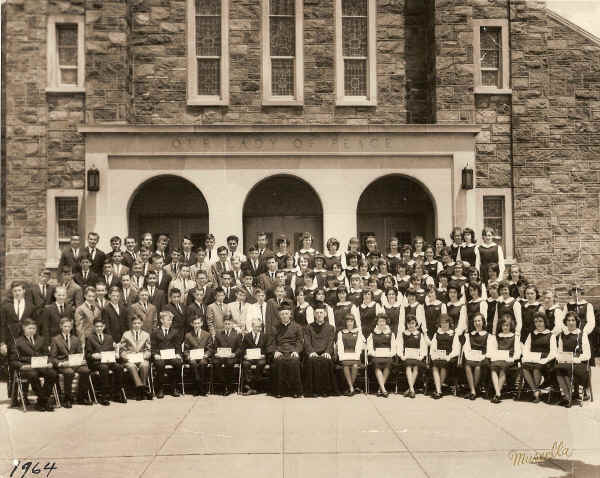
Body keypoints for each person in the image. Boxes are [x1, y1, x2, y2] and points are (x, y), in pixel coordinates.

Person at [10, 319, 58, 411]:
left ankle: (41, 401)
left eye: (34, 328)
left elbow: (48, 355)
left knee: (53, 374)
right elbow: (13, 360)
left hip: (41, 365)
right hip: (27, 367)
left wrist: (50, 363)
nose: (32, 330)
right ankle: (45, 401)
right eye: (29, 328)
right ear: (24, 328)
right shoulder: (17, 342)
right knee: (33, 374)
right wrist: (21, 366)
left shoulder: (41, 339)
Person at [50, 317, 92, 407]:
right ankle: (67, 398)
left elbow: (80, 354)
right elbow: (52, 358)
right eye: (65, 326)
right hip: (63, 364)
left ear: (71, 327)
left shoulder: (75, 339)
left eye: (69, 326)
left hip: (75, 363)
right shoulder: (55, 339)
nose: (67, 328)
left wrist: (81, 360)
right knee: (69, 372)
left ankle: (81, 397)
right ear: (61, 326)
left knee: (86, 371)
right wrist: (60, 363)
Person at [85, 317, 125, 405]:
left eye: (101, 326)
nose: (99, 328)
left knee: (119, 367)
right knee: (104, 368)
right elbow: (87, 355)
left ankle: (117, 393)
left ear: (104, 327)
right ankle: (104, 395)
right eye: (97, 326)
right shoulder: (90, 338)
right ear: (94, 327)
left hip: (109, 361)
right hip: (96, 363)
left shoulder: (109, 337)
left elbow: (112, 351)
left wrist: (116, 353)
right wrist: (93, 355)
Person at [555, 311, 591, 407]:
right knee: (558, 368)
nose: (571, 322)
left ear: (576, 321)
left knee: (566, 369)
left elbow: (588, 354)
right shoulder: (562, 335)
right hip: (566, 361)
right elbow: (559, 351)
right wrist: (560, 358)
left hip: (579, 362)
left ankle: (569, 397)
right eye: (568, 320)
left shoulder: (582, 334)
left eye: (573, 320)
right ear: (565, 322)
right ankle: (568, 396)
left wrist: (576, 359)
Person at [303, 302, 339, 398]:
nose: (319, 315)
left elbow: (331, 342)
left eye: (321, 313)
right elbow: (307, 342)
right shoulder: (308, 327)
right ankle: (313, 391)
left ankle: (325, 391)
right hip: (313, 353)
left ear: (325, 314)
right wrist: (311, 352)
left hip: (325, 353)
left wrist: (327, 352)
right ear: (314, 314)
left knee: (326, 361)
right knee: (312, 361)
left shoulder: (331, 328)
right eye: (317, 313)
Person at [268, 303, 304, 398]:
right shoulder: (275, 327)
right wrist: (275, 351)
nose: (284, 316)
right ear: (279, 315)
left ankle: (295, 391)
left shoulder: (297, 327)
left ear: (290, 314)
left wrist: (296, 351)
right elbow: (271, 342)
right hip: (280, 351)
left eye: (286, 313)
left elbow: (300, 342)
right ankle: (279, 391)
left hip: (292, 351)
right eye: (282, 314)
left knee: (294, 361)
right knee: (279, 361)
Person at [521, 312, 557, 403]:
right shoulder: (531, 334)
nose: (538, 323)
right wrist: (526, 357)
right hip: (532, 358)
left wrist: (545, 360)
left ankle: (535, 392)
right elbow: (526, 348)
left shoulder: (550, 335)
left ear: (545, 322)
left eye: (540, 321)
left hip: (545, 361)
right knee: (524, 367)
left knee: (536, 368)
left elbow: (553, 352)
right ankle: (536, 391)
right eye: (536, 321)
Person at [487, 314, 521, 404]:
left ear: (511, 326)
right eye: (503, 325)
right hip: (498, 359)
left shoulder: (515, 337)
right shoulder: (497, 336)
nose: (505, 327)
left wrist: (512, 358)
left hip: (509, 360)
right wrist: (494, 356)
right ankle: (498, 393)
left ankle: (497, 394)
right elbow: (492, 350)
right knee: (493, 369)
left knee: (503, 368)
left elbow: (518, 353)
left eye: (507, 325)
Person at [151, 311, 183, 398]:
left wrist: (178, 354)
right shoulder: (155, 332)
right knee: (159, 364)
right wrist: (155, 355)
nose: (170, 322)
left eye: (171, 320)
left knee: (178, 362)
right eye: (168, 320)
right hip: (160, 356)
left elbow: (178, 345)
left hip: (172, 356)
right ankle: (160, 389)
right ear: (161, 320)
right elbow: (153, 346)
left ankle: (174, 387)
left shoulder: (175, 332)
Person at [119, 316, 152, 400]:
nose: (136, 325)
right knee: (131, 366)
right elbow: (122, 349)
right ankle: (142, 388)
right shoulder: (126, 334)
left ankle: (140, 390)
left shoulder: (146, 335)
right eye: (134, 323)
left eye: (138, 323)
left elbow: (148, 349)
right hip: (130, 358)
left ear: (142, 324)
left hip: (141, 357)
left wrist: (145, 355)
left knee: (144, 365)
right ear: (131, 324)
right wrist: (125, 356)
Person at [429, 314, 460, 399]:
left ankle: (438, 390)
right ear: (440, 324)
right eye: (442, 323)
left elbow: (456, 350)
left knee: (443, 366)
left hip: (449, 358)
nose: (444, 325)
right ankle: (439, 391)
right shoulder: (437, 334)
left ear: (449, 323)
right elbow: (433, 347)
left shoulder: (453, 334)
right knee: (435, 366)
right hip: (438, 356)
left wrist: (448, 357)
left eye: (446, 323)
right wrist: (434, 355)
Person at [462, 313, 492, 400]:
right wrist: (470, 356)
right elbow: (466, 349)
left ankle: (473, 390)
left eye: (479, 321)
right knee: (467, 365)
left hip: (483, 358)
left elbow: (489, 351)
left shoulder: (488, 335)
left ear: (483, 322)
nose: (477, 323)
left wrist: (481, 357)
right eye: (475, 321)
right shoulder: (469, 335)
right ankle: (473, 391)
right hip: (471, 357)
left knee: (478, 366)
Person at [398, 315, 428, 398]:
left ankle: (410, 389)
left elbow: (423, 347)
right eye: (409, 323)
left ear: (416, 324)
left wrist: (421, 356)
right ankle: (412, 389)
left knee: (415, 366)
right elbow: (400, 346)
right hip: (406, 357)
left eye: (413, 323)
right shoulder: (403, 334)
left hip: (417, 358)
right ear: (406, 324)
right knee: (408, 366)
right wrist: (402, 356)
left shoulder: (419, 334)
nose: (411, 325)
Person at [183, 315, 214, 396]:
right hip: (192, 357)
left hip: (203, 357)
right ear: (192, 324)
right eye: (195, 323)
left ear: (202, 323)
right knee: (193, 364)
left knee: (203, 363)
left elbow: (210, 348)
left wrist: (206, 355)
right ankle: (199, 387)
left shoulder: (207, 334)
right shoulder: (188, 335)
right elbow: (186, 349)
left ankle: (199, 387)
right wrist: (188, 356)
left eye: (198, 323)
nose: (196, 325)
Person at [1, 281, 35, 352]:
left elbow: (33, 325)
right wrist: (2, 343)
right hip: (9, 340)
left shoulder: (30, 306)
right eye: (15, 291)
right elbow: (2, 325)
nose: (17, 293)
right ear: (12, 292)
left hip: (26, 340)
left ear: (24, 291)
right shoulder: (6, 306)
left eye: (19, 290)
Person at [367, 314, 396, 397]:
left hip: (387, 355)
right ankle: (384, 390)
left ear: (386, 322)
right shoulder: (373, 334)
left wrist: (390, 354)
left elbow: (394, 348)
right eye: (380, 321)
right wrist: (374, 354)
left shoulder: (391, 334)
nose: (382, 323)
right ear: (377, 322)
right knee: (376, 363)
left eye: (383, 321)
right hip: (376, 355)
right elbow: (370, 347)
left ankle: (380, 389)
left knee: (389, 363)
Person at [212, 316, 242, 395]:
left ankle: (228, 386)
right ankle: (223, 384)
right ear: (223, 324)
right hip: (220, 356)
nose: (227, 325)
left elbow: (240, 348)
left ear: (232, 324)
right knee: (215, 363)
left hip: (231, 357)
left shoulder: (237, 334)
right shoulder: (218, 334)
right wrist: (216, 353)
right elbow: (214, 347)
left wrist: (234, 354)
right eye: (226, 324)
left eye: (229, 324)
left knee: (229, 363)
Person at [337, 314, 365, 395]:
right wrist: (342, 356)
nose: (349, 323)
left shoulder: (358, 332)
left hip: (355, 355)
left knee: (355, 366)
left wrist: (356, 356)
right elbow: (340, 346)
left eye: (351, 321)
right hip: (345, 355)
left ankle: (350, 387)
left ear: (354, 322)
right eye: (348, 321)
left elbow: (359, 346)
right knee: (345, 365)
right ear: (345, 323)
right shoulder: (341, 333)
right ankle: (352, 388)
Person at [241, 318, 269, 395]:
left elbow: (267, 348)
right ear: (252, 326)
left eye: (259, 326)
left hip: (260, 358)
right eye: (256, 326)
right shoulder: (247, 336)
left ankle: (255, 386)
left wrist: (264, 355)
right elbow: (243, 349)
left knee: (261, 364)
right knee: (245, 364)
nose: (258, 328)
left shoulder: (264, 336)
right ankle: (249, 385)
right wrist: (245, 355)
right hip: (250, 358)